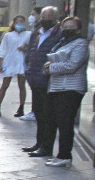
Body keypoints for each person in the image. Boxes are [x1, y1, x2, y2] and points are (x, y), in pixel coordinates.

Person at [31, 16, 89, 167]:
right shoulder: (61, 43)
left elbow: (72, 65)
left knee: (65, 122)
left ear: (78, 29)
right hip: (57, 87)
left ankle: (64, 155)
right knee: (52, 119)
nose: (68, 29)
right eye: (65, 26)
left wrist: (51, 68)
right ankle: (54, 151)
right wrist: (47, 66)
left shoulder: (81, 44)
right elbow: (51, 60)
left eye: (72, 26)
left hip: (71, 88)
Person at [21, 6, 62, 153]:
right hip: (35, 79)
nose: (45, 21)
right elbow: (31, 51)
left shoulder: (60, 35)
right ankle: (39, 143)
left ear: (55, 19)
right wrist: (28, 70)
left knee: (48, 115)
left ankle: (46, 146)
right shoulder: (37, 33)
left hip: (49, 80)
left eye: (48, 19)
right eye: (43, 18)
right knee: (38, 112)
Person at [0, 15, 30, 117]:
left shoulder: (28, 35)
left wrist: (25, 47)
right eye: (18, 22)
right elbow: (3, 49)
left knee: (21, 85)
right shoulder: (8, 35)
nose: (20, 24)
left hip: (21, 61)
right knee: (5, 84)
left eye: (22, 22)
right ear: (14, 23)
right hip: (9, 62)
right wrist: (1, 63)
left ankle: (21, 108)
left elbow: (32, 46)